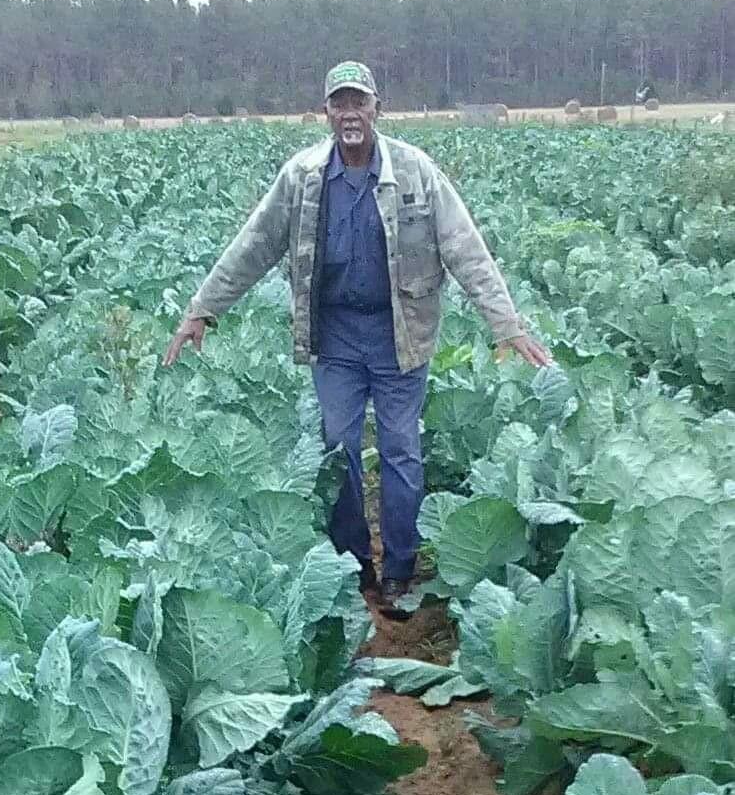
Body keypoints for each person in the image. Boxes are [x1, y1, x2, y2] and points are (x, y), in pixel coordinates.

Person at [163, 61, 551, 618]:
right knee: (338, 447)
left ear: (376, 108)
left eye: (359, 102)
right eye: (339, 103)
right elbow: (254, 244)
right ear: (326, 112)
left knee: (400, 449)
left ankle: (399, 568)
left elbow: (465, 248)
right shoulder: (302, 177)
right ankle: (353, 563)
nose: (350, 114)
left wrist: (506, 323)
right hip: (335, 337)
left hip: (400, 334)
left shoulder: (415, 172)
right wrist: (203, 309)